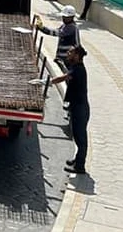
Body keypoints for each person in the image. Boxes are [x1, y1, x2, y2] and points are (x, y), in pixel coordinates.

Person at [50, 45, 90, 175]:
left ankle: (80, 166)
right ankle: (77, 160)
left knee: (80, 138)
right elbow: (67, 73)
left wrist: (49, 81)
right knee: (77, 136)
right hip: (77, 107)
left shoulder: (78, 70)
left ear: (77, 55)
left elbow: (64, 77)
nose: (68, 53)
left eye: (71, 52)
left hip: (80, 108)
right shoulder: (76, 68)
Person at [35, 5, 82, 70]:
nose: (64, 18)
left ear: (72, 17)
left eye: (66, 17)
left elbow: (57, 33)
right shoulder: (65, 25)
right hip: (63, 57)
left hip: (69, 59)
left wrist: (43, 28)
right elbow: (57, 30)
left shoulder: (71, 27)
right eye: (63, 16)